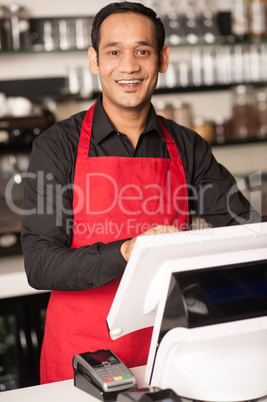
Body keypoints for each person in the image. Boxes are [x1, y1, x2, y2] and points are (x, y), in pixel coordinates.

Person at [21, 1, 264, 385]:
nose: (129, 65)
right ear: (94, 60)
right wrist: (128, 251)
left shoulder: (187, 146)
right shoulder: (57, 147)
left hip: (170, 348)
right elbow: (40, 264)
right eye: (114, 52)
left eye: (142, 51)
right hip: (84, 357)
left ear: (162, 59)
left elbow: (246, 230)